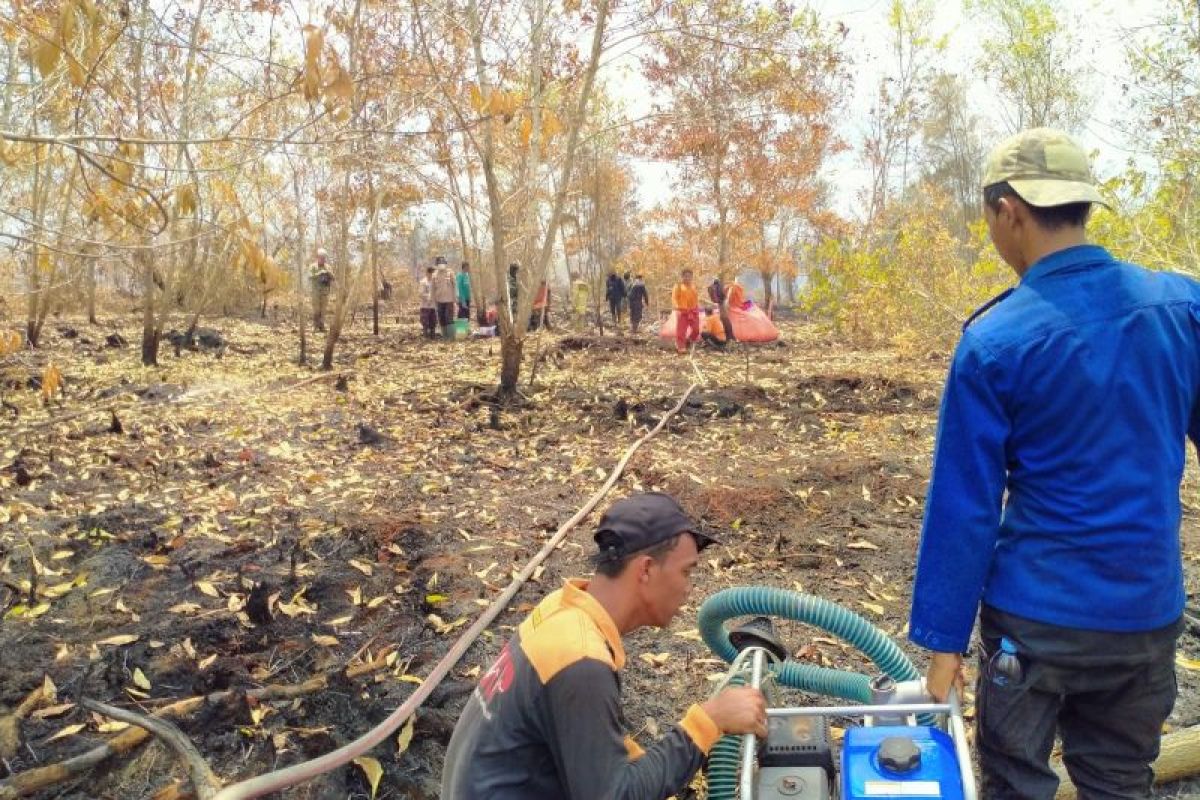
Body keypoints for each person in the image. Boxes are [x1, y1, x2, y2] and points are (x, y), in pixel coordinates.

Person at [908, 128, 1193, 800]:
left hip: (1038, 623)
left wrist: (943, 642)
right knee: (1122, 782)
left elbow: (966, 508)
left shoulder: (997, 340)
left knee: (1015, 783)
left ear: (1009, 210)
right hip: (1146, 616)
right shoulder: (1181, 308)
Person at [441, 493, 767, 800]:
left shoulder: (562, 611)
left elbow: (587, 735)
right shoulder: (580, 663)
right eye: (685, 572)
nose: (688, 589)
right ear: (646, 570)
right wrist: (708, 722)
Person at [671, 268, 700, 355]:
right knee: (681, 331)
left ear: (692, 277)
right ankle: (681, 347)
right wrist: (676, 307)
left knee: (696, 329)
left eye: (689, 276)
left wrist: (697, 307)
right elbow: (674, 298)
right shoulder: (678, 286)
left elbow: (696, 299)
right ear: (682, 277)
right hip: (682, 311)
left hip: (693, 311)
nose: (687, 278)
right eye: (685, 276)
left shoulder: (693, 286)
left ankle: (689, 340)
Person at [433, 256, 457, 339]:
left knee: (448, 317)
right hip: (439, 300)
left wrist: (456, 297)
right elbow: (433, 289)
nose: (441, 264)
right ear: (436, 264)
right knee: (441, 318)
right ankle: (445, 336)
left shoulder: (450, 273)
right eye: (439, 263)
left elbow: (455, 285)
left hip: (449, 300)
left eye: (442, 263)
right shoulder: (434, 275)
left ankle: (451, 337)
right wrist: (433, 300)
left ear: (445, 263)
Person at [310, 247, 333, 332]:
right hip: (315, 292)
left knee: (323, 310)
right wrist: (319, 274)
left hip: (325, 292)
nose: (323, 259)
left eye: (324, 257)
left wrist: (328, 273)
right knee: (316, 310)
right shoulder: (313, 266)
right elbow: (309, 277)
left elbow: (333, 278)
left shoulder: (328, 267)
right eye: (321, 257)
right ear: (317, 257)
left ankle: (322, 326)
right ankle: (315, 327)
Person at [418, 265, 437, 339]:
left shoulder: (435, 282)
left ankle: (433, 337)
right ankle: (425, 337)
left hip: (433, 306)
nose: (433, 275)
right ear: (428, 273)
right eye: (432, 273)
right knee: (425, 322)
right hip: (425, 306)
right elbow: (421, 294)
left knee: (433, 322)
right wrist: (429, 297)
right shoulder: (423, 282)